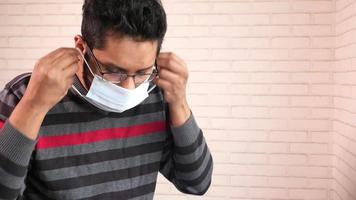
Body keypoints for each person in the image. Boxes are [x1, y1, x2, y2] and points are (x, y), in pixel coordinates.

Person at [0, 0, 213, 199]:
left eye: (142, 72)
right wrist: (33, 106)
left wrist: (179, 102)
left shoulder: (155, 94)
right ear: (81, 48)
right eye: (113, 71)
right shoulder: (26, 94)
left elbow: (196, 183)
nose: (129, 88)